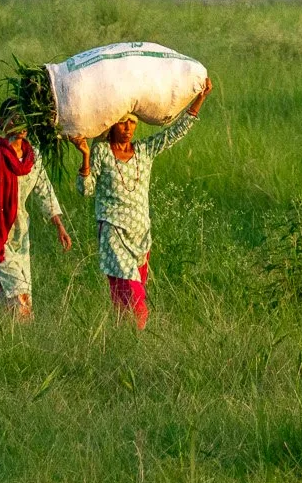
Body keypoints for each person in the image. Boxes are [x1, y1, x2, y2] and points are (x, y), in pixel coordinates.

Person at [72, 78, 211, 330]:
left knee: (124, 301)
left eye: (132, 123)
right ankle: (139, 338)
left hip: (141, 236)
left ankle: (120, 341)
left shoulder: (145, 151)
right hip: (114, 232)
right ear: (113, 125)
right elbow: (86, 189)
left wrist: (199, 99)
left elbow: (174, 133)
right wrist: (85, 157)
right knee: (137, 302)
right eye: (123, 122)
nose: (128, 128)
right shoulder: (101, 152)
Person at [0, 101, 71, 321]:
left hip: (20, 234)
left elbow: (45, 191)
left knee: (17, 298)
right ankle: (21, 336)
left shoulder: (33, 157)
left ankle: (12, 343)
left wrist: (59, 226)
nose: (19, 121)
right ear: (2, 123)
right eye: (13, 117)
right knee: (17, 290)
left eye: (23, 116)